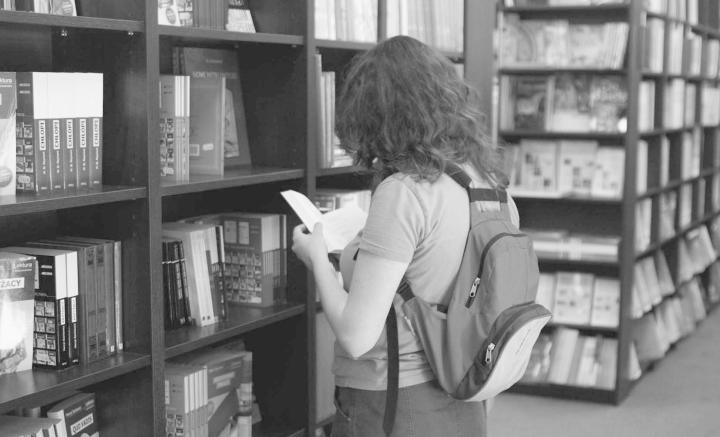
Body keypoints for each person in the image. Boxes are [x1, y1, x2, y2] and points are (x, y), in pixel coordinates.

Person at [291, 35, 520, 437]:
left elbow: (357, 336)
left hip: (395, 401)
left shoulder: (404, 192)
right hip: (466, 391)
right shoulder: (492, 187)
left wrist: (317, 260)